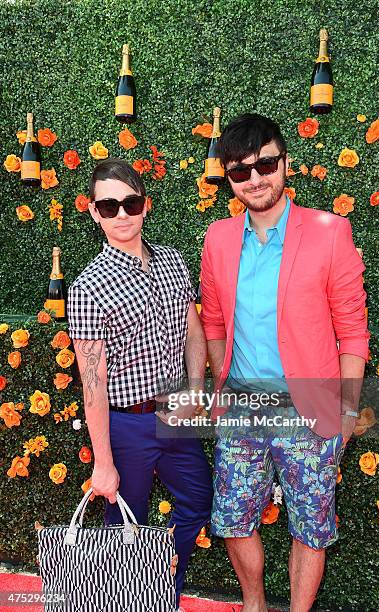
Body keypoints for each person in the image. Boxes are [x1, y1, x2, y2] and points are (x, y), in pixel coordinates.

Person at [200, 114, 369, 612]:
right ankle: (253, 604)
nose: (255, 178)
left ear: (284, 163)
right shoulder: (218, 239)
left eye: (265, 163)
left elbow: (352, 330)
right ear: (229, 179)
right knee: (233, 518)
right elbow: (212, 322)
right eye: (240, 171)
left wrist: (348, 408)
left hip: (311, 409)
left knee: (310, 528)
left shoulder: (329, 231)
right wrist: (219, 387)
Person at [67, 158, 213, 611]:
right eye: (109, 206)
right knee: (121, 527)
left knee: (198, 501)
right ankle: (127, 600)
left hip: (177, 419)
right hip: (127, 425)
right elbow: (93, 385)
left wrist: (193, 389)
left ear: (145, 205)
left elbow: (192, 329)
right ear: (95, 213)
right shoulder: (88, 287)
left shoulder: (172, 260)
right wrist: (103, 463)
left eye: (130, 202)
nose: (122, 214)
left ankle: (162, 591)